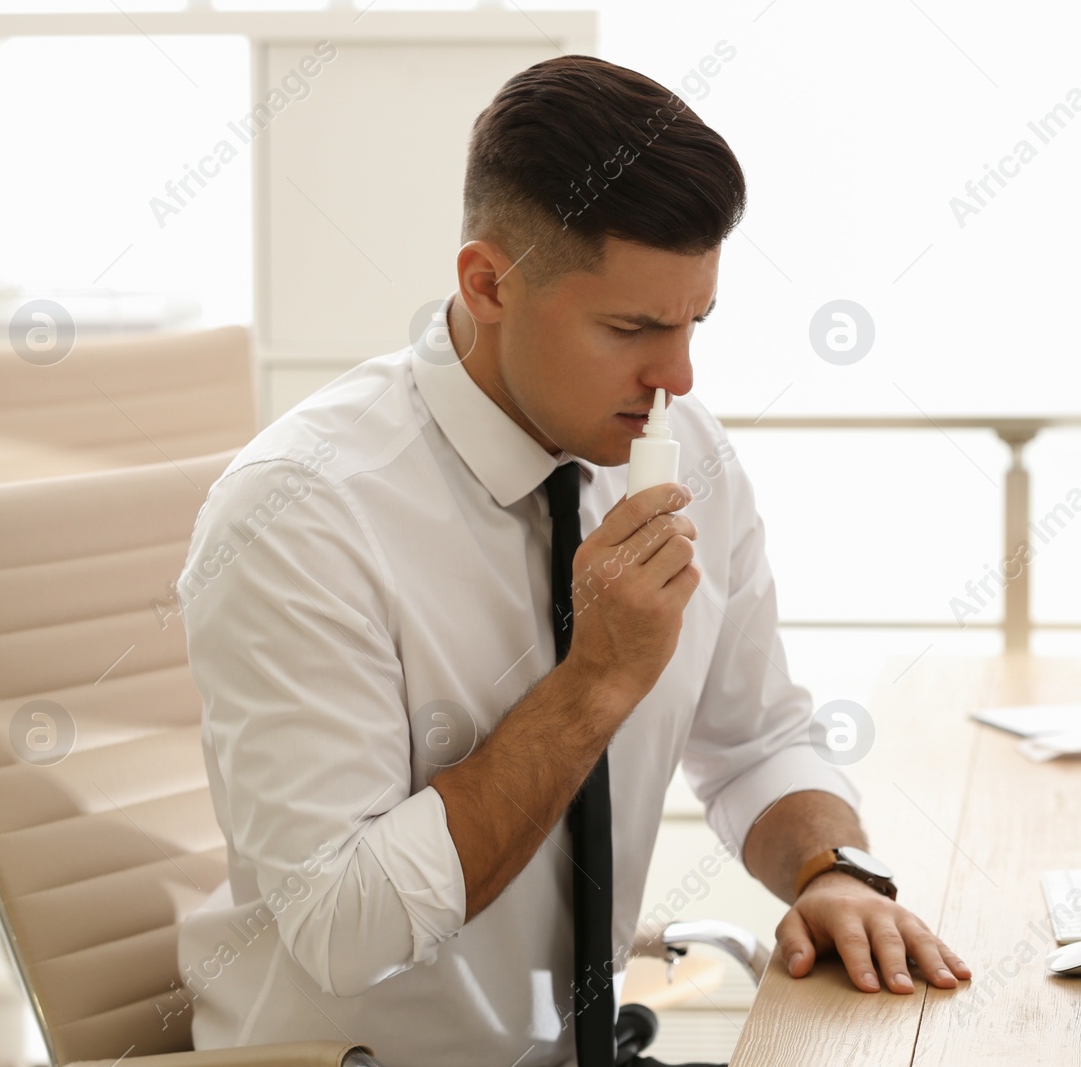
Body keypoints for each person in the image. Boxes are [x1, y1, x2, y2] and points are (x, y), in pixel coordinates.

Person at [175, 53, 970, 1067]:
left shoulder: (687, 455)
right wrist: (597, 677)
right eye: (632, 327)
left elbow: (757, 738)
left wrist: (833, 869)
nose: (677, 374)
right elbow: (346, 925)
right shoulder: (299, 515)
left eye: (693, 322)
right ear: (485, 282)